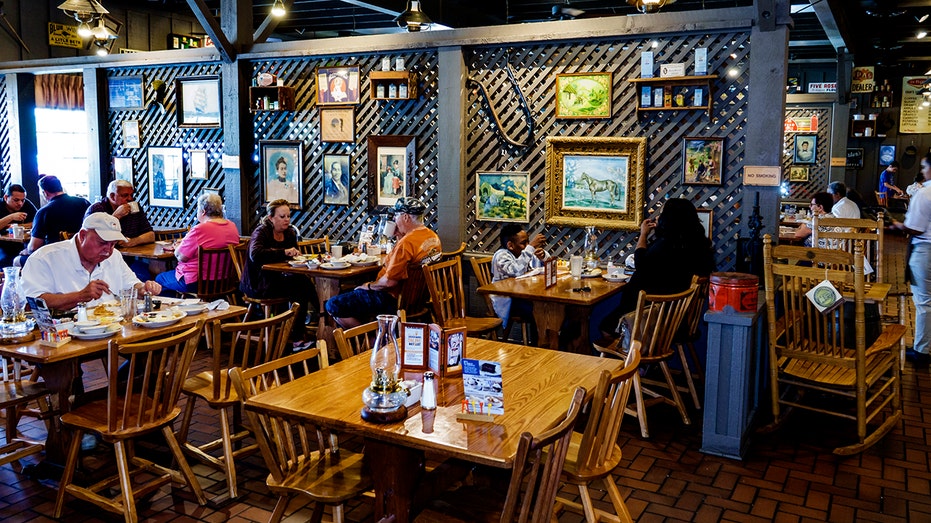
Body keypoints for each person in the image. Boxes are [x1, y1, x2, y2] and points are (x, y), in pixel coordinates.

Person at [598, 198, 716, 339]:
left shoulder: (665, 245)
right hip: (678, 317)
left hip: (655, 318)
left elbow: (641, 264)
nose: (659, 217)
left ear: (670, 219)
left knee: (606, 326)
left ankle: (632, 360)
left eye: (662, 214)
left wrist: (643, 235)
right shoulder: (698, 245)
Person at [326, 197, 442, 329]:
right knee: (348, 296)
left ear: (405, 217)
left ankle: (372, 339)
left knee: (333, 305)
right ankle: (377, 333)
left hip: (391, 299)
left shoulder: (406, 243)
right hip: (417, 300)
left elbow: (389, 282)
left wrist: (368, 286)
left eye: (396, 215)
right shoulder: (433, 237)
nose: (394, 220)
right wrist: (399, 236)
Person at [21, 212, 161, 312]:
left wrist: (143, 289)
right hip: (63, 338)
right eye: (102, 243)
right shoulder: (45, 258)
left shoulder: (114, 256)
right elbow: (32, 302)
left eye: (113, 244)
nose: (108, 250)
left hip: (112, 330)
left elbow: (131, 285)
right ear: (82, 235)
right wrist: (79, 296)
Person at [241, 199, 314, 345]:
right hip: (258, 283)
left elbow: (293, 256)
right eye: (282, 217)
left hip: (279, 278)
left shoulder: (290, 233)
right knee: (300, 286)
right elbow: (255, 254)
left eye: (288, 216)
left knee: (302, 282)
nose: (287, 220)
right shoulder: (261, 232)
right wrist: (284, 252)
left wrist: (295, 255)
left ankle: (302, 330)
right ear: (271, 218)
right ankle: (301, 333)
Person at [155, 193, 240, 295]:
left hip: (198, 282)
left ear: (203, 211)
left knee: (160, 279)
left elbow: (180, 256)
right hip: (226, 281)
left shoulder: (199, 229)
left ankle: (176, 309)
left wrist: (178, 246)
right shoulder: (232, 227)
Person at [891, 152, 931, 366]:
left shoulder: (924, 194)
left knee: (924, 302)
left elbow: (914, 227)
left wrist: (897, 226)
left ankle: (922, 351)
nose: (923, 171)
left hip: (925, 251)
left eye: (925, 167)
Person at [16, 175, 90, 267]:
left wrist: (27, 249)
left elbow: (34, 247)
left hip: (55, 259)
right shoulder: (84, 203)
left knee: (16, 261)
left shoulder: (44, 212)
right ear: (61, 188)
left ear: (45, 193)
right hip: (83, 255)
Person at [490, 223, 546, 332]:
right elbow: (516, 271)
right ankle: (539, 344)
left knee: (546, 308)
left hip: (522, 296)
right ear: (510, 245)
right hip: (508, 301)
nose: (527, 246)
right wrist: (530, 248)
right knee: (539, 311)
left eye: (528, 242)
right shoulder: (501, 255)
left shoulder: (522, 255)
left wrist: (542, 257)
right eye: (523, 243)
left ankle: (545, 342)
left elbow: (538, 266)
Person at [85, 180, 154, 248]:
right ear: (112, 196)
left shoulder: (135, 207)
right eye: (125, 195)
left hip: (132, 253)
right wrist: (116, 216)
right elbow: (93, 239)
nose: (130, 198)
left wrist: (133, 241)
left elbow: (151, 235)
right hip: (104, 253)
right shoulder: (97, 209)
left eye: (131, 195)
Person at [0, 184, 38, 268]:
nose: (20, 203)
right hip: (3, 244)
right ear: (6, 198)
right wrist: (11, 217)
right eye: (16, 200)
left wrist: (17, 225)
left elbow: (37, 221)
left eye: (22, 200)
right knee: (5, 259)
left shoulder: (26, 204)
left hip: (22, 244)